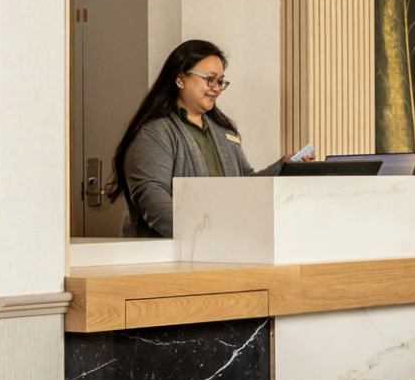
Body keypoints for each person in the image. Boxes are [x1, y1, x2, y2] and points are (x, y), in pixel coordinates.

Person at [110, 40, 304, 237]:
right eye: (210, 79)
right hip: (172, 252)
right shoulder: (154, 133)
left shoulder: (223, 132)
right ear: (180, 78)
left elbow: (245, 186)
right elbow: (152, 197)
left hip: (223, 245)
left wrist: (284, 167)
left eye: (220, 81)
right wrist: (202, 233)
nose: (216, 88)